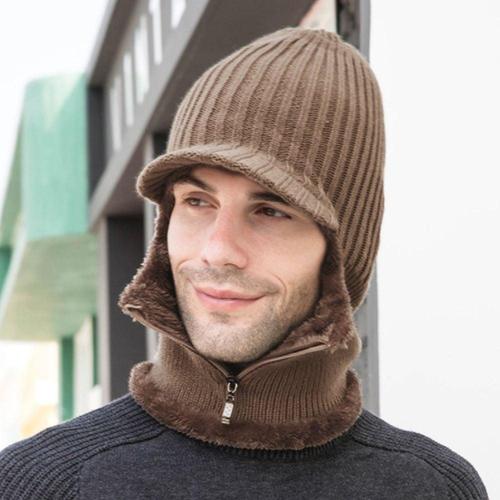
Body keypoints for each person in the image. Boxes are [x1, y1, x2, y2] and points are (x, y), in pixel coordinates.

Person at [0, 27, 488, 500]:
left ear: (344, 251)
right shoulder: (40, 483)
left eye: (271, 211)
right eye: (197, 202)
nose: (218, 250)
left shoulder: (435, 487)